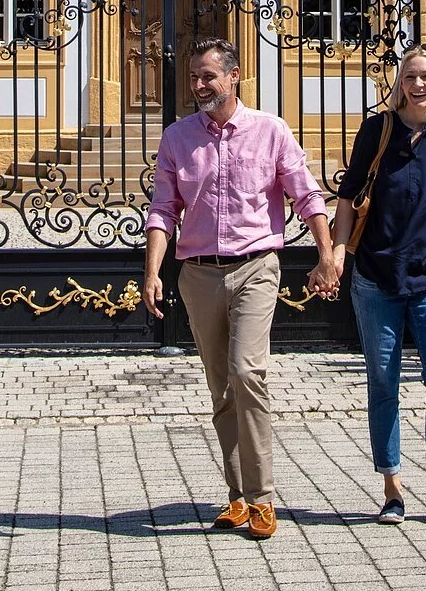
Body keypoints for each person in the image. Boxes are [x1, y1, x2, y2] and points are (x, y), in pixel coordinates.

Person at [143, 38, 339, 542]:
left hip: (256, 267)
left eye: (209, 76)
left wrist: (325, 253)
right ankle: (237, 497)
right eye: (194, 77)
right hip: (199, 274)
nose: (200, 85)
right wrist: (153, 272)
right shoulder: (177, 138)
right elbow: (164, 210)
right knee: (221, 388)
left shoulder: (270, 131)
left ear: (234, 77)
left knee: (247, 372)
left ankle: (264, 498)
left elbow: (304, 192)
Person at [322, 45, 426, 525]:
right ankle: (392, 487)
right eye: (410, 76)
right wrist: (338, 255)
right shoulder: (378, 129)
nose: (419, 85)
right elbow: (348, 197)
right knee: (383, 381)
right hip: (376, 276)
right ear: (400, 83)